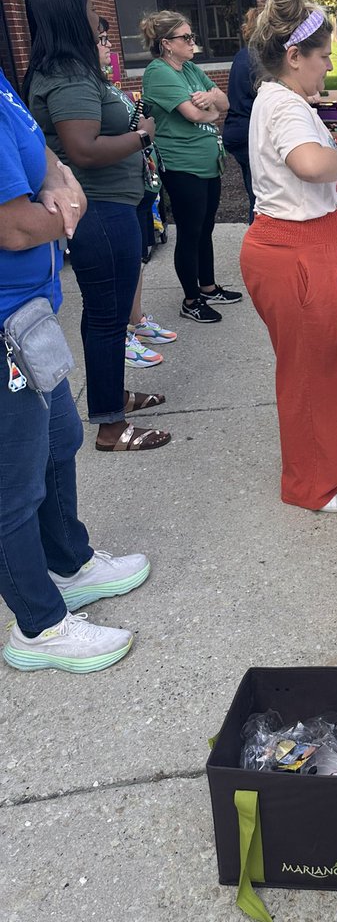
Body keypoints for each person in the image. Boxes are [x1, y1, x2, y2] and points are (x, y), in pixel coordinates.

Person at [0, 64, 150, 672]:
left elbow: (43, 155)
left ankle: (69, 560)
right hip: (3, 325)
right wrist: (66, 212)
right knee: (12, 486)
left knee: (61, 438)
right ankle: (37, 627)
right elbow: (11, 226)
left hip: (28, 315)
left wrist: (60, 179)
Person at [239, 0, 337, 512]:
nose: (327, 69)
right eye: (322, 58)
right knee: (309, 374)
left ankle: (328, 461)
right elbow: (308, 164)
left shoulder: (283, 99)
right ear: (293, 57)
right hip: (294, 253)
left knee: (324, 363)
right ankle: (311, 485)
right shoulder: (286, 107)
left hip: (302, 247)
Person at [24, 0, 170, 453]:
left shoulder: (75, 70)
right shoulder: (66, 74)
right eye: (88, 8)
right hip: (98, 212)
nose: (96, 17)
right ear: (71, 15)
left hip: (111, 206)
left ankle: (113, 397)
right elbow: (83, 149)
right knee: (108, 316)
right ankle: (112, 427)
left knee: (107, 314)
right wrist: (143, 135)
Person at [140, 12, 240, 324]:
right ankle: (191, 299)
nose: (192, 42)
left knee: (206, 227)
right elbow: (196, 116)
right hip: (183, 165)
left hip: (209, 162)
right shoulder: (158, 73)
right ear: (166, 44)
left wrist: (209, 97)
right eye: (186, 38)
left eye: (191, 36)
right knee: (190, 230)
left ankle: (207, 287)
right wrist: (209, 110)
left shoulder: (191, 69)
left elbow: (224, 104)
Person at [95, 17, 177, 371]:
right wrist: (142, 135)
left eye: (107, 39)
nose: (108, 46)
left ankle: (136, 321)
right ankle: (121, 333)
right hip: (108, 193)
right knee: (116, 267)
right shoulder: (83, 86)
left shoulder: (107, 82)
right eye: (101, 40)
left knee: (136, 258)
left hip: (137, 185)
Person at [223, 6, 261, 225]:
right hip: (249, 133)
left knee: (254, 194)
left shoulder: (243, 54)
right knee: (260, 200)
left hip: (239, 130)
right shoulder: (258, 58)